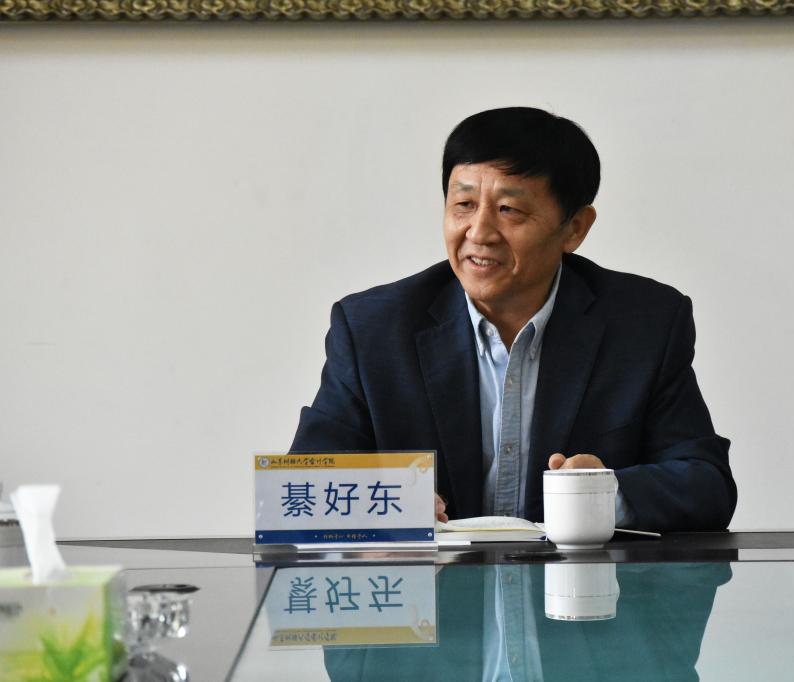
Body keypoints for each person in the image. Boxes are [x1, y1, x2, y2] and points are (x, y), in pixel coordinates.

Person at [291, 107, 736, 532]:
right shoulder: (373, 329)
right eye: (463, 204)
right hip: (433, 585)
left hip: (578, 585)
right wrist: (382, 502)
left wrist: (606, 492)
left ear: (575, 228)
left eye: (509, 210)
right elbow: (301, 490)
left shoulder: (644, 324)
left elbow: (706, 484)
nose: (479, 232)